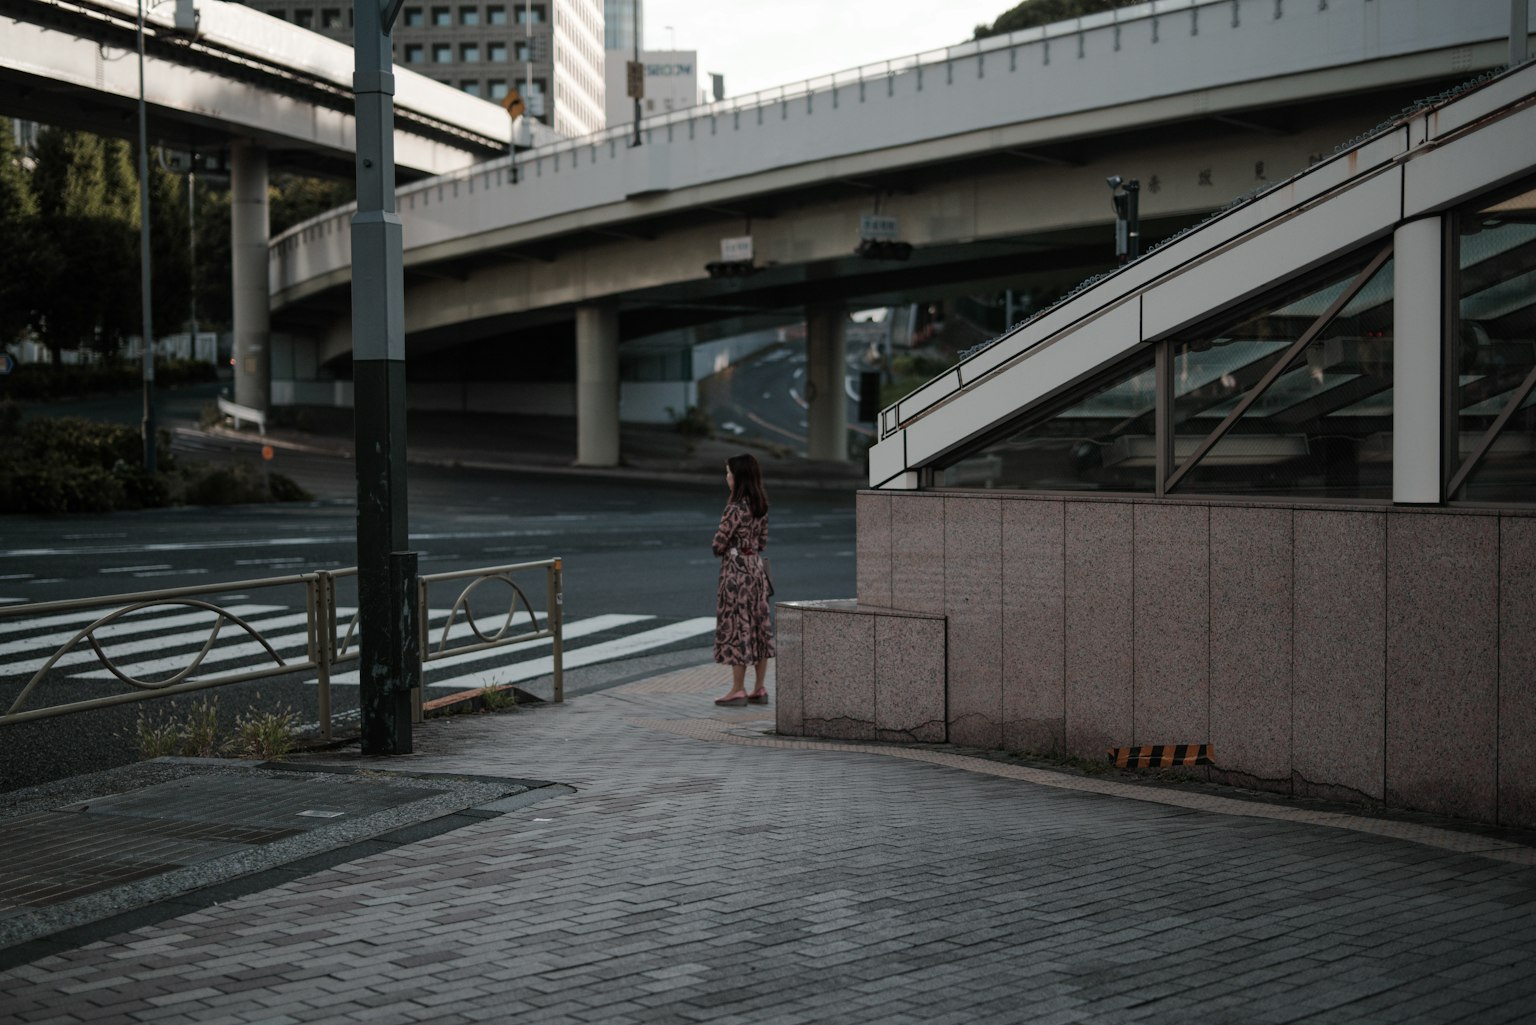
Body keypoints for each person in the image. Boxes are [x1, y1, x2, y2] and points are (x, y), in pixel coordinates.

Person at [712, 453, 774, 706]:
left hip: (736, 572)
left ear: (738, 477)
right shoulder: (761, 506)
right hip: (756, 570)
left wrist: (725, 546)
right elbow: (762, 542)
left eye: (728, 473)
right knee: (759, 626)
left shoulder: (734, 509)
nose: (727, 477)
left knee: (737, 626)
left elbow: (718, 544)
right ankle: (759, 688)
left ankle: (737, 689)